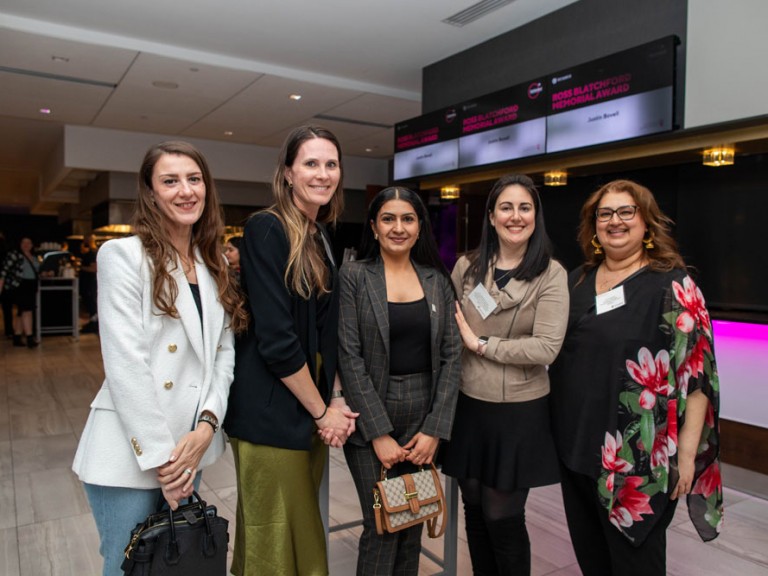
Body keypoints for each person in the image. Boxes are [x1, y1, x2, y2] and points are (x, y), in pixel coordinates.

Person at [72, 141, 247, 576]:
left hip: (190, 447)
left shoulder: (212, 265)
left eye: (194, 179)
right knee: (128, 567)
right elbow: (125, 364)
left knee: (179, 565)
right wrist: (166, 464)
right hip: (133, 451)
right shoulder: (123, 256)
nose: (185, 190)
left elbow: (224, 355)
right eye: (170, 181)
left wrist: (207, 426)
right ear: (150, 193)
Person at [549, 179, 722, 576]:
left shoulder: (674, 286)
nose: (615, 221)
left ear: (647, 223)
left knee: (634, 565)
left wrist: (687, 456)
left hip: (638, 462)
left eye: (627, 212)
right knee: (592, 561)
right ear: (593, 226)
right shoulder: (577, 281)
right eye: (605, 214)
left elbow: (697, 382)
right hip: (576, 452)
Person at [223, 125, 358, 576]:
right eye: (311, 163)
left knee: (299, 532)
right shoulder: (267, 228)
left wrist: (333, 401)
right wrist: (323, 413)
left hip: (306, 404)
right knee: (272, 541)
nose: (323, 174)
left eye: (331, 164)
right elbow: (277, 339)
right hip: (272, 410)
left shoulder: (319, 235)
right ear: (287, 172)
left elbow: (325, 333)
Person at [441, 174, 568, 575]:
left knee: (503, 516)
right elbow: (450, 330)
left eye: (525, 207)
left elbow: (546, 347)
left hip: (519, 411)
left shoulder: (551, 274)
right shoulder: (467, 267)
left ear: (536, 216)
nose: (516, 216)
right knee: (474, 509)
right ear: (492, 216)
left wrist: (481, 345)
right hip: (469, 405)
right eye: (507, 207)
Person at [338, 187, 462, 575]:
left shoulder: (435, 280)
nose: (398, 227)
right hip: (372, 416)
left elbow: (452, 354)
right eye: (388, 219)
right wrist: (378, 433)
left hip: (423, 419)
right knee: (382, 523)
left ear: (419, 226)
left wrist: (435, 430)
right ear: (374, 227)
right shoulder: (354, 277)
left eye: (407, 219)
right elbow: (349, 355)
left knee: (413, 520)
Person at [0, 236, 40, 348]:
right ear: (20, 244)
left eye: (29, 242)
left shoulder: (34, 257)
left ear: (32, 245)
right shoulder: (14, 255)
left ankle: (17, 337)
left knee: (21, 312)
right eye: (24, 242)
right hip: (20, 286)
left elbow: (37, 271)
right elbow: (4, 271)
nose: (26, 245)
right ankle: (29, 338)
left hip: (31, 286)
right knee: (27, 311)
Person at [79, 233, 99, 334]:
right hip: (88, 284)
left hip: (90, 284)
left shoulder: (92, 253)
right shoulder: (89, 252)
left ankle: (94, 325)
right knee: (90, 305)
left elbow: (94, 268)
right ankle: (92, 324)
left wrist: (80, 268)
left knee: (92, 306)